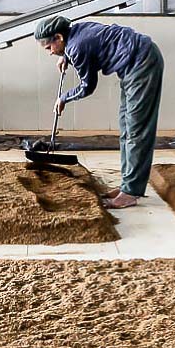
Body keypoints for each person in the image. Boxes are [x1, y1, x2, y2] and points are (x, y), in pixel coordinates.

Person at [35, 14, 162, 208]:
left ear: (59, 37)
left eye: (49, 48)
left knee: (137, 129)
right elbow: (85, 44)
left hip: (142, 63)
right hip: (132, 65)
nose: (50, 53)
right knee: (126, 128)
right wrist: (66, 56)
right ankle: (127, 185)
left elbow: (88, 86)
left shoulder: (76, 46)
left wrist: (64, 98)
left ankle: (131, 192)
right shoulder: (76, 31)